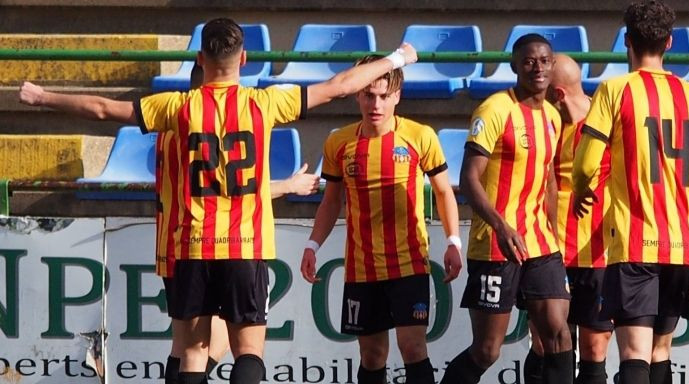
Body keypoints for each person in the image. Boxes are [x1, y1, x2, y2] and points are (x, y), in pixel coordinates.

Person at [19, 17, 418, 384]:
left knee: (193, 351)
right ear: (244, 59)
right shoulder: (264, 103)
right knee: (249, 351)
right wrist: (398, 57)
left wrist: (43, 97)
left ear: (199, 57)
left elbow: (105, 109)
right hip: (245, 246)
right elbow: (340, 86)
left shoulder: (177, 106)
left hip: (192, 247)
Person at [571, 2, 689, 384]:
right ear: (669, 42)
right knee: (660, 352)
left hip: (635, 244)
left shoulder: (614, 90)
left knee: (634, 354)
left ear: (627, 41)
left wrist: (581, 190)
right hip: (683, 247)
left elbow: (587, 164)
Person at [299, 54, 462, 384]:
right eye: (369, 95)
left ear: (397, 97)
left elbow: (445, 192)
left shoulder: (420, 136)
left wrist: (453, 241)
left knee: (413, 348)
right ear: (358, 94)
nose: (376, 103)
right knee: (372, 356)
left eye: (384, 96)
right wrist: (313, 245)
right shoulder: (339, 142)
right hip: (362, 267)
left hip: (409, 263)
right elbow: (332, 200)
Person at [160, 64, 321, 383]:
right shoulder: (197, 127)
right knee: (243, 349)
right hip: (222, 240)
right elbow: (226, 190)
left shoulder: (169, 128)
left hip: (174, 247)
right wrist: (288, 186)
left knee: (186, 351)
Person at [440, 34, 573, 384]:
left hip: (541, 244)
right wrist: (501, 226)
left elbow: (548, 180)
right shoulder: (495, 109)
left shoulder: (553, 117)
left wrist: (555, 234)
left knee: (558, 338)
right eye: (529, 61)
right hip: (496, 244)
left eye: (545, 61)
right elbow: (469, 179)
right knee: (487, 350)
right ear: (515, 65)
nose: (538, 68)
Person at [545, 53, 613, 384]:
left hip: (599, 252)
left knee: (594, 349)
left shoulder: (609, 126)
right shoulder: (548, 127)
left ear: (557, 93)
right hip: (551, 254)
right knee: (548, 346)